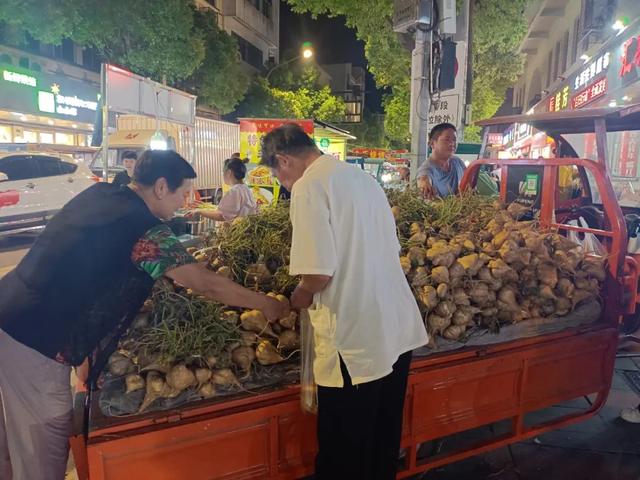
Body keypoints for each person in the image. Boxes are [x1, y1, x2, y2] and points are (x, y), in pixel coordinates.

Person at [0, 150, 287, 480]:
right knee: (43, 448)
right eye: (182, 193)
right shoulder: (143, 228)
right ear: (162, 186)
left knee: (9, 442)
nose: (185, 201)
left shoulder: (102, 193)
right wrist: (267, 304)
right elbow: (205, 284)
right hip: (35, 339)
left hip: (10, 308)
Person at [260, 124, 428, 479]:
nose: (282, 185)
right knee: (381, 441)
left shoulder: (309, 186)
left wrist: (298, 298)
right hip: (394, 331)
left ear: (283, 160)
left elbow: (318, 274)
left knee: (344, 452)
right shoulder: (363, 180)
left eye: (278, 176)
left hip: (355, 343)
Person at [196, 157, 257, 222]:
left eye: (223, 172)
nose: (223, 175)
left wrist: (200, 212)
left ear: (229, 172)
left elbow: (221, 216)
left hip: (237, 230)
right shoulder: (245, 188)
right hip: (246, 228)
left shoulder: (234, 191)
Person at [417, 123, 466, 199]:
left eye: (454, 140)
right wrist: (424, 184)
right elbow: (423, 178)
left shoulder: (458, 162)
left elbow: (468, 183)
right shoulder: (427, 168)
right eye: (447, 140)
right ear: (432, 143)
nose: (452, 143)